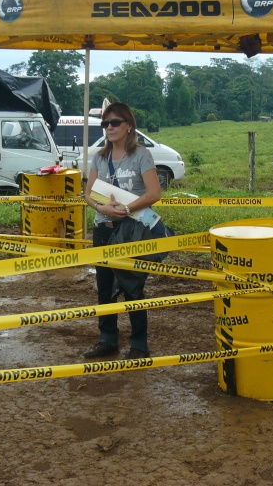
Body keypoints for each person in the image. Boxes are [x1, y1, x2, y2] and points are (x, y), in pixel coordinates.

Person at [82, 102, 162, 360]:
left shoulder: (141, 155)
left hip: (131, 231)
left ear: (129, 126)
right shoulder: (100, 157)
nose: (109, 128)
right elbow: (88, 194)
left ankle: (139, 345)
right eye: (105, 124)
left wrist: (126, 209)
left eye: (115, 122)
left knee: (132, 288)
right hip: (103, 229)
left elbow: (154, 193)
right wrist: (102, 209)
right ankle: (107, 340)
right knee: (104, 287)